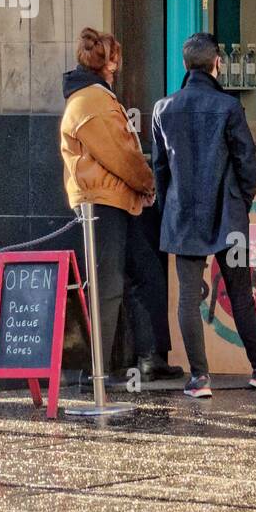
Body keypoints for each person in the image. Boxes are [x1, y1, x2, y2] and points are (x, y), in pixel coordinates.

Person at [152, 33, 256, 398]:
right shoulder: (228, 107)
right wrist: (241, 203)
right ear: (217, 63)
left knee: (188, 297)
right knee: (241, 294)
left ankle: (199, 379)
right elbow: (247, 165)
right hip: (227, 217)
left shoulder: (163, 109)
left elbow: (160, 169)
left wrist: (168, 208)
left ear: (186, 65)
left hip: (183, 214)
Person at [59, 28, 181, 384]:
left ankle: (149, 355)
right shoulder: (92, 102)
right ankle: (95, 370)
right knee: (106, 286)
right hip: (103, 203)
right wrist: (147, 183)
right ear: (111, 63)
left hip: (116, 201)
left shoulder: (94, 98)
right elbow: (121, 155)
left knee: (144, 275)